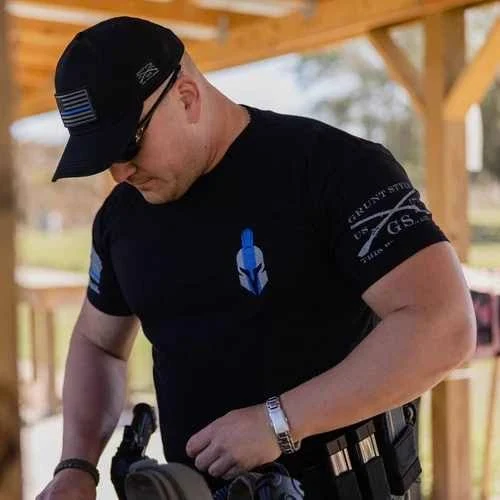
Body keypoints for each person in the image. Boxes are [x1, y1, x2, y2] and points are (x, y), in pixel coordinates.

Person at [36, 16, 476, 500]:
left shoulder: (334, 169)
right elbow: (97, 343)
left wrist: (280, 422)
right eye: (103, 158)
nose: (120, 173)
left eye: (128, 145)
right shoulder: (121, 218)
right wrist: (76, 464)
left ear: (187, 97)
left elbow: (443, 324)